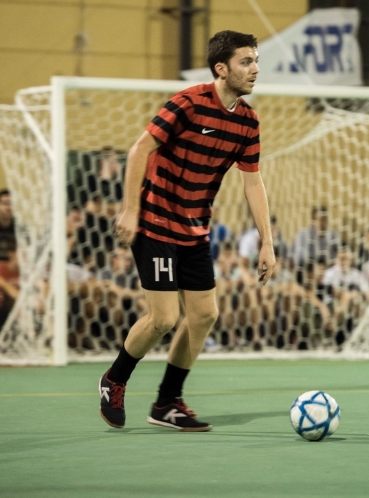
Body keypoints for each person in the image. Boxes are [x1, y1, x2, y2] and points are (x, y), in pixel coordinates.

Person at [99, 30, 275, 431]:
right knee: (163, 318)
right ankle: (114, 380)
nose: (254, 69)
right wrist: (130, 211)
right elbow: (139, 150)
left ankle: (167, 403)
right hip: (156, 222)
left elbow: (253, 182)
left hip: (195, 230)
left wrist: (267, 242)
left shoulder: (247, 121)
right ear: (221, 68)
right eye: (246, 61)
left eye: (255, 61)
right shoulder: (188, 103)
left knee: (204, 315)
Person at [291, 206, 340, 276]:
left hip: (329, 272)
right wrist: (313, 267)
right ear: (312, 221)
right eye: (319, 220)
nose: (322, 223)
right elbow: (299, 259)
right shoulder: (303, 235)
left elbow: (339, 254)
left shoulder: (333, 236)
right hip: (308, 272)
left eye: (324, 220)